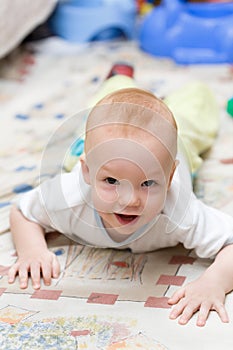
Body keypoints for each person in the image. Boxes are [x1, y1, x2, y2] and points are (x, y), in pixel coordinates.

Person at [8, 63, 233, 327]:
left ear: (170, 178)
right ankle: (119, 78)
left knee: (192, 117)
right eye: (111, 181)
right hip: (89, 148)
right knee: (105, 105)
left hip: (178, 140)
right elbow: (22, 211)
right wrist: (31, 250)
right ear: (88, 173)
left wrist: (214, 281)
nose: (129, 200)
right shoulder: (68, 194)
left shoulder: (179, 211)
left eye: (148, 183)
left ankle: (197, 89)